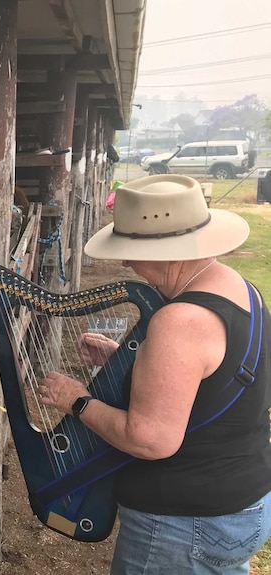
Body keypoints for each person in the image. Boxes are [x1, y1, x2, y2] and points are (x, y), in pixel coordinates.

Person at [38, 174, 271, 574]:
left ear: (167, 251)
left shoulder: (178, 321)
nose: (126, 262)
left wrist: (75, 399)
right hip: (239, 506)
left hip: (183, 526)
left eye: (130, 250)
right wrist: (133, 364)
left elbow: (150, 440)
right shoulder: (237, 287)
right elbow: (214, 378)